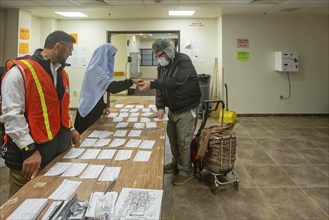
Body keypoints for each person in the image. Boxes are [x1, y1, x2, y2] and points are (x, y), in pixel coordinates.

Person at [0, 30, 80, 196]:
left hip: (55, 156)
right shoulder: (19, 72)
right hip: (30, 159)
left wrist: (70, 129)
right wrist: (29, 150)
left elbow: (61, 107)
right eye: (69, 49)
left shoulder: (61, 73)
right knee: (22, 206)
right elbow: (12, 115)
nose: (71, 54)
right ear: (58, 46)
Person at [138, 39, 201, 186]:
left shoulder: (183, 61)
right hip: (172, 109)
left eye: (161, 55)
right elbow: (161, 87)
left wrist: (151, 84)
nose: (159, 58)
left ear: (169, 51)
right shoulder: (162, 66)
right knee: (173, 139)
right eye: (157, 56)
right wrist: (160, 106)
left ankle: (186, 171)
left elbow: (174, 82)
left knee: (183, 141)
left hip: (186, 107)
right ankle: (176, 164)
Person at [74, 43, 142, 134]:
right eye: (111, 55)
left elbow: (99, 91)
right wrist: (131, 81)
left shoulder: (99, 69)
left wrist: (103, 106)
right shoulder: (95, 69)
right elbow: (112, 87)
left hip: (95, 105)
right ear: (104, 56)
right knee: (88, 135)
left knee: (95, 133)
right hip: (89, 109)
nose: (112, 58)